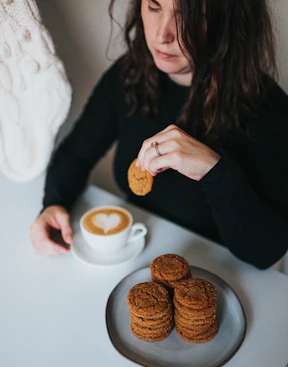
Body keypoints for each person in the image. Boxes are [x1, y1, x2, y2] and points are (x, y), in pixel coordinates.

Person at [30, 0, 288, 269]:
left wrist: (214, 169)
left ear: (230, 23)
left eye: (189, 16)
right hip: (136, 258)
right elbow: (76, 152)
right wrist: (54, 203)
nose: (162, 35)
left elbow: (265, 252)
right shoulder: (130, 74)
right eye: (154, 7)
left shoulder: (269, 109)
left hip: (218, 272)